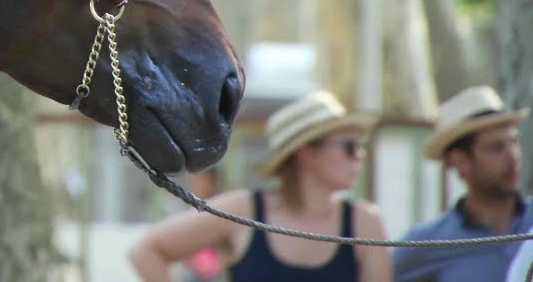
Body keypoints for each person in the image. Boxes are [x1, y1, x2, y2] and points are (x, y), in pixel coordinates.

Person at [128, 90, 392, 282]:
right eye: (349, 147)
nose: (360, 156)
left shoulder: (365, 223)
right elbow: (147, 251)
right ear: (306, 154)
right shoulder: (244, 211)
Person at [392, 85, 533, 282]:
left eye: (514, 143)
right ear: (459, 161)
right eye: (496, 148)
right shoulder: (427, 245)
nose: (513, 157)